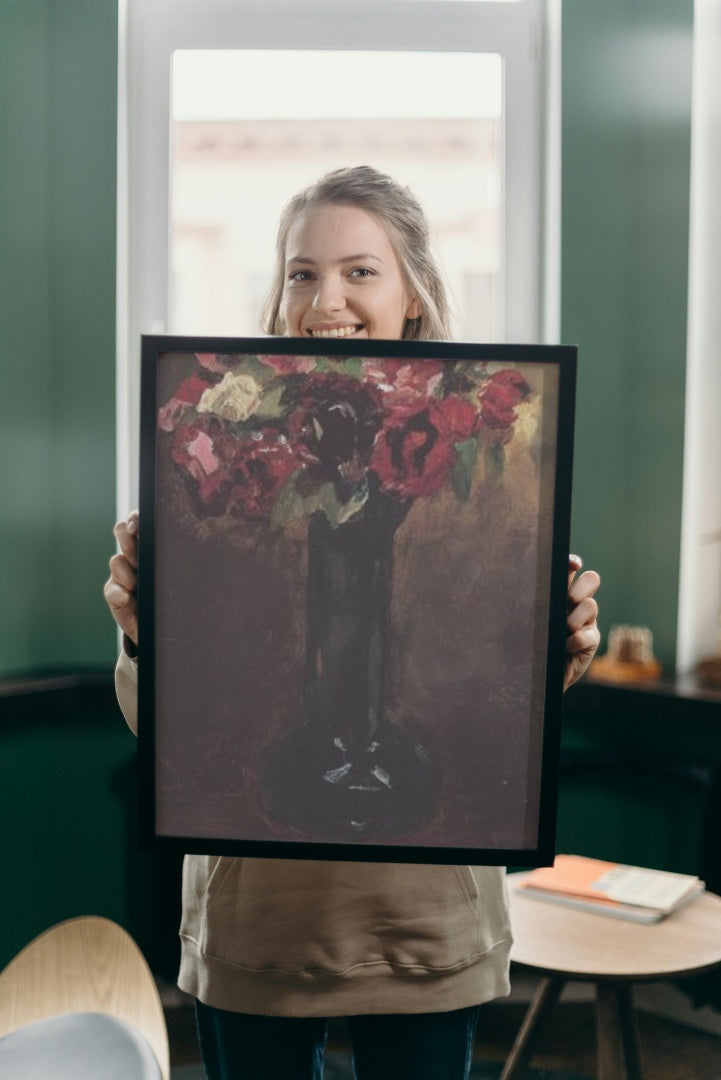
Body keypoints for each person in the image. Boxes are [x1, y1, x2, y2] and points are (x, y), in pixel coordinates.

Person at [105, 166, 601, 1080]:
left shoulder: (484, 439)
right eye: (301, 272)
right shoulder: (215, 439)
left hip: (423, 922)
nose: (324, 298)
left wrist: (557, 648)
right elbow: (168, 730)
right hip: (258, 922)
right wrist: (144, 635)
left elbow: (500, 721)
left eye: (358, 271)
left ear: (412, 292)